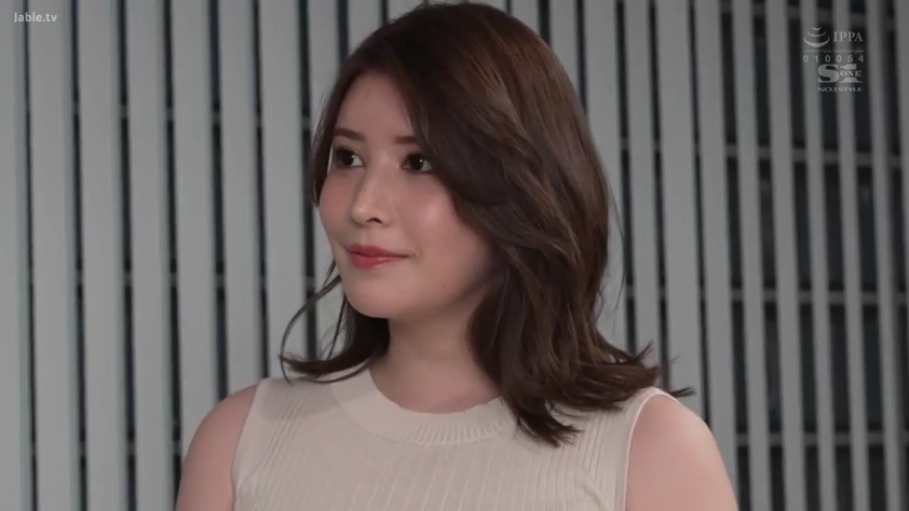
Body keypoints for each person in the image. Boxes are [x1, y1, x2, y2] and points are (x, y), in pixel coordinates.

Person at [176, 2, 737, 510]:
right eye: (347, 158)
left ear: (524, 189)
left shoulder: (650, 451)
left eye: (419, 163)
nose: (364, 206)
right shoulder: (240, 442)